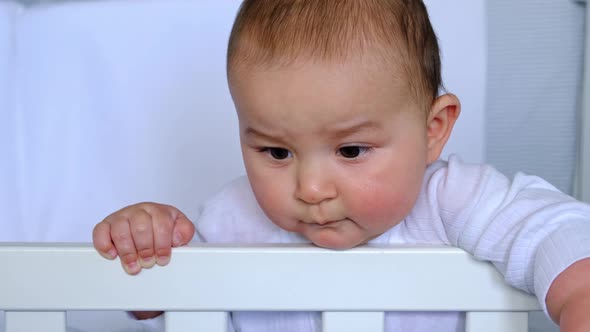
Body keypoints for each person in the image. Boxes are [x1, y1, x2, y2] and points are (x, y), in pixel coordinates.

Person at [93, 0, 590, 331]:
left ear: (432, 129)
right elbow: (165, 304)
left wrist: (577, 292)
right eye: (276, 152)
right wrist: (149, 246)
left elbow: (545, 227)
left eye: (351, 151)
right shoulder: (232, 216)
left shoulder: (450, 200)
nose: (310, 188)